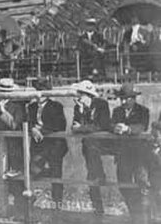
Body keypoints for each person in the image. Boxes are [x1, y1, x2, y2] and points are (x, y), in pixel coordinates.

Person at [0, 78, 27, 214]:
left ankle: (20, 204)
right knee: (2, 174)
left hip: (14, 146)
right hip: (0, 145)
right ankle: (3, 206)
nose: (4, 94)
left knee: (14, 175)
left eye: (7, 91)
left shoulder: (18, 107)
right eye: (2, 91)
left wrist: (3, 111)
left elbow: (14, 125)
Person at [70, 80, 111, 216]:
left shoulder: (101, 105)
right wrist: (82, 112)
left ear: (88, 95)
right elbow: (74, 128)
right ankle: (98, 210)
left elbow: (102, 125)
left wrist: (82, 128)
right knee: (92, 175)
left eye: (80, 95)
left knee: (94, 173)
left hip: (104, 143)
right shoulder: (78, 107)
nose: (78, 98)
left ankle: (101, 176)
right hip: (89, 147)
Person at [111, 83, 149, 220]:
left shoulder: (143, 111)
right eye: (121, 98)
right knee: (123, 185)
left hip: (138, 155)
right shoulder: (117, 111)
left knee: (141, 184)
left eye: (126, 98)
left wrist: (128, 129)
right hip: (122, 155)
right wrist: (115, 127)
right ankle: (134, 212)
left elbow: (142, 126)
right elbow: (111, 124)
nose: (123, 101)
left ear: (133, 98)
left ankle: (141, 216)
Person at [27, 79, 68, 208]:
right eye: (37, 91)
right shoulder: (31, 107)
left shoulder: (56, 106)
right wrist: (32, 129)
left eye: (41, 92)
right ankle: (31, 197)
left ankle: (58, 204)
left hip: (54, 145)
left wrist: (41, 131)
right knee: (32, 170)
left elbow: (60, 125)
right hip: (38, 146)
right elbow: (26, 122)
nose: (38, 95)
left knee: (56, 176)